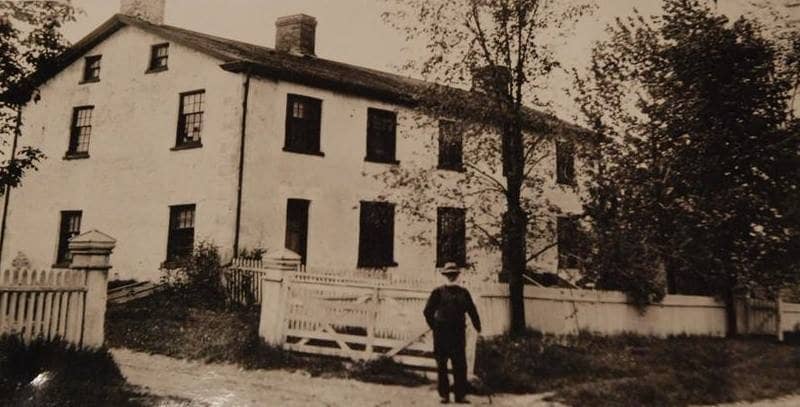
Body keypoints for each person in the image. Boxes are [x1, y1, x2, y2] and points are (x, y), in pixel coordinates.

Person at [423, 262, 482, 404]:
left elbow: (472, 311)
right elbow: (427, 311)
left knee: (460, 364)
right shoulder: (437, 292)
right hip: (442, 334)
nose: (451, 277)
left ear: (457, 275)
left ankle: (460, 395)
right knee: (442, 365)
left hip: (457, 334)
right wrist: (435, 326)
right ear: (445, 275)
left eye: (453, 274)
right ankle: (444, 395)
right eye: (449, 274)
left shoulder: (464, 293)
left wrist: (478, 327)